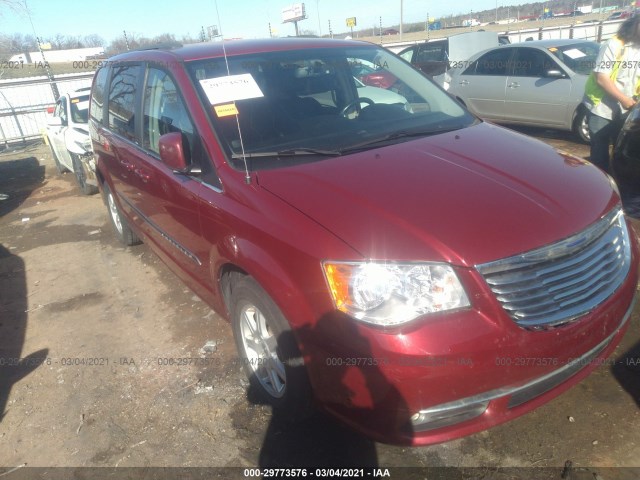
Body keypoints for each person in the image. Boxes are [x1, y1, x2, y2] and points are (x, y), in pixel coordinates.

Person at [583, 15, 640, 173]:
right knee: (600, 151)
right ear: (635, 24)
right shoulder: (614, 45)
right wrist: (624, 99)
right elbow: (601, 78)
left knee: (621, 149)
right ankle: (600, 184)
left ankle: (618, 182)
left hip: (627, 108)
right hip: (601, 107)